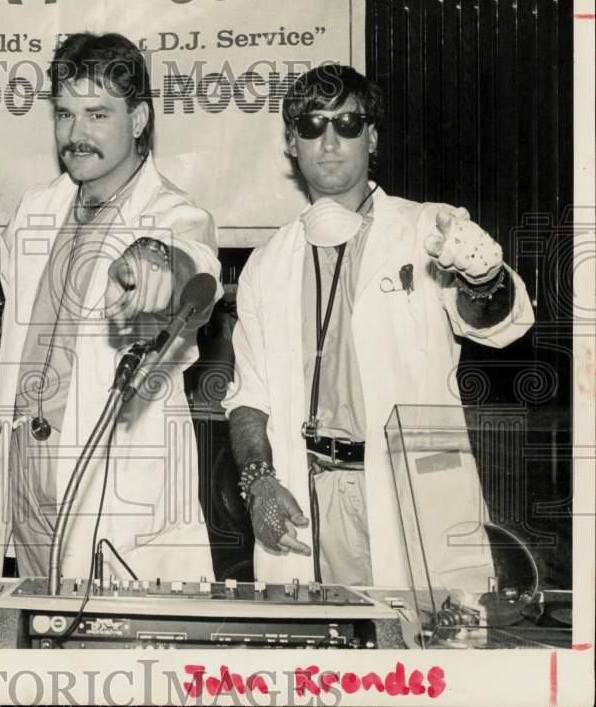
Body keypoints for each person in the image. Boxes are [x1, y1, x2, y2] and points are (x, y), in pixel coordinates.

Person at [222, 64, 535, 589]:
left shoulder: (429, 228)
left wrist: (482, 278)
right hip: (309, 495)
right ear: (292, 144)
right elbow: (248, 395)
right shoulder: (267, 262)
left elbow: (497, 323)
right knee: (312, 659)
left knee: (424, 656)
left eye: (347, 124)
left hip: (413, 491)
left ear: (372, 136)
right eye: (311, 125)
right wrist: (257, 483)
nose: (329, 141)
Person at [0, 32, 222, 583]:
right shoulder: (34, 210)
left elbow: (196, 269)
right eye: (64, 114)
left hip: (111, 483)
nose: (75, 134)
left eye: (96, 114)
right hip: (24, 477)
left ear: (138, 119)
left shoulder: (173, 214)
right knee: (31, 645)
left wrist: (157, 260)